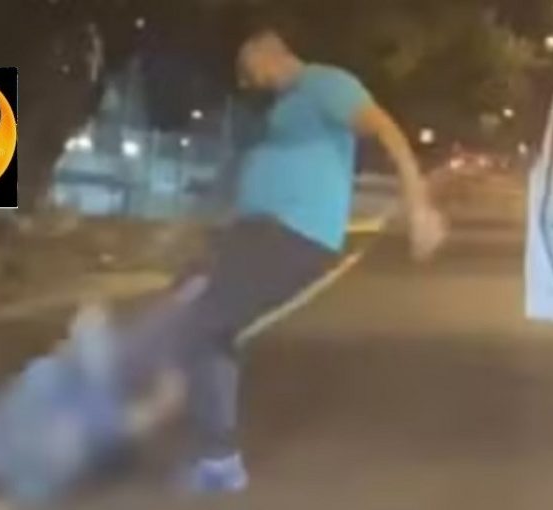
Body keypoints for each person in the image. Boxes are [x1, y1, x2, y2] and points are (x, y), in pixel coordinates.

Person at [166, 25, 447, 493]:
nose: (248, 83)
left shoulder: (325, 83)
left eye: (248, 72)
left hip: (295, 235)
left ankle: (219, 457)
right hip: (254, 233)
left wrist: (418, 207)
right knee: (193, 306)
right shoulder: (285, 107)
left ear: (266, 54)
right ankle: (213, 445)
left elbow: (387, 131)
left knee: (202, 323)